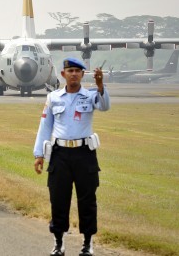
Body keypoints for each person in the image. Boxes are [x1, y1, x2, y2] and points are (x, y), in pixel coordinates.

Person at [33, 57, 110, 256]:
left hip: (84, 154)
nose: (74, 74)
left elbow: (104, 106)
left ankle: (87, 243)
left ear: (83, 75)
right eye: (70, 70)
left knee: (87, 200)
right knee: (58, 199)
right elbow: (45, 125)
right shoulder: (54, 98)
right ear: (63, 74)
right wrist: (39, 154)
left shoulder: (90, 95)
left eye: (78, 71)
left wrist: (101, 86)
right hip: (60, 154)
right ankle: (59, 243)